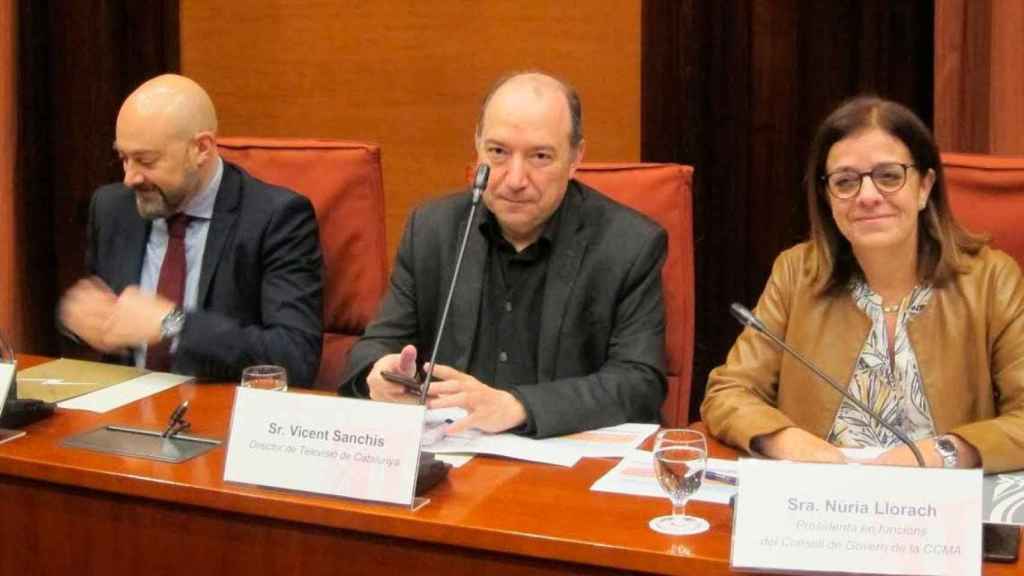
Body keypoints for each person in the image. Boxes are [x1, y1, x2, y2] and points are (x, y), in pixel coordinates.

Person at [701, 96, 1024, 473]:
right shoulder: (796, 273)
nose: (867, 196)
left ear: (924, 187)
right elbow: (729, 392)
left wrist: (949, 452)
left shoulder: (991, 280)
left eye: (889, 176)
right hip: (824, 507)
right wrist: (785, 439)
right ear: (828, 198)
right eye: (846, 181)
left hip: (944, 509)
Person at [339, 72, 667, 438]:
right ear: (477, 145)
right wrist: (382, 372)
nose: (514, 179)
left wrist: (519, 406)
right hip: (453, 457)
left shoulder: (628, 245)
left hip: (562, 464)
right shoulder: (433, 230)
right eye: (498, 152)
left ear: (576, 159)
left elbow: (639, 383)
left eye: (540, 156)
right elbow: (373, 348)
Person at [59, 74, 323, 385]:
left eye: (145, 160)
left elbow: (295, 358)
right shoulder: (112, 208)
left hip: (218, 415)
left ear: (201, 149)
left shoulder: (276, 219)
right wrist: (85, 321)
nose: (130, 178)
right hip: (125, 412)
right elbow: (109, 327)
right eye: (123, 158)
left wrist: (173, 325)